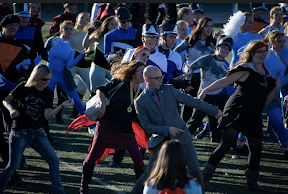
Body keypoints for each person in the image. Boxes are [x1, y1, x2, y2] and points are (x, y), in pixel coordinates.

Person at [131, 65, 227, 194]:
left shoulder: (169, 89)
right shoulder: (139, 102)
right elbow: (147, 126)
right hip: (160, 141)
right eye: (157, 78)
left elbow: (191, 101)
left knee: (195, 171)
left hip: (182, 137)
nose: (161, 80)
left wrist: (215, 111)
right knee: (150, 172)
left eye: (161, 77)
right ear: (147, 79)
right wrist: (167, 129)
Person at [198, 40, 280, 192]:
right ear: (252, 53)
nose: (262, 55)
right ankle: (204, 178)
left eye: (264, 52)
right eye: (259, 52)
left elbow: (265, 100)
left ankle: (252, 183)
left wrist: (276, 88)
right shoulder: (245, 69)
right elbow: (224, 81)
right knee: (225, 145)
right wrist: (205, 90)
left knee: (256, 149)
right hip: (236, 112)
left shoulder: (267, 74)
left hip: (254, 114)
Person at [0, 64, 74, 193]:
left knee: (54, 161)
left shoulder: (48, 93)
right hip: (20, 132)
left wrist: (61, 105)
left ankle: (58, 191)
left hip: (38, 132)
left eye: (49, 79)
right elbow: (6, 100)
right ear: (37, 77)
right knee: (13, 165)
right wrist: (12, 109)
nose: (47, 82)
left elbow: (47, 115)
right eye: (44, 79)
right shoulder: (23, 87)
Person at [79, 60, 146, 194]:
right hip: (107, 124)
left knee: (138, 159)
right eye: (141, 72)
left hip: (125, 128)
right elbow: (100, 90)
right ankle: (83, 187)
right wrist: (103, 104)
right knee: (93, 156)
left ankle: (144, 190)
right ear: (133, 73)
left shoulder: (140, 90)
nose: (144, 75)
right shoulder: (120, 82)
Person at [186, 35, 232, 142]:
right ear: (217, 48)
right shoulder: (208, 58)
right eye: (223, 47)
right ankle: (183, 139)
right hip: (204, 96)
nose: (225, 50)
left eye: (228, 48)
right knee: (195, 121)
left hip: (220, 96)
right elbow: (191, 67)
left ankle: (216, 139)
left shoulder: (227, 65)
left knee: (217, 122)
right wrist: (188, 82)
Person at [174, 16, 216, 126]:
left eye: (211, 26)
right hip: (191, 77)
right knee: (188, 104)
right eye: (206, 26)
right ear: (200, 27)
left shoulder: (213, 42)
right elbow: (175, 52)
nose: (209, 29)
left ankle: (213, 134)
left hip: (207, 79)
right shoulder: (190, 40)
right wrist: (182, 68)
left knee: (206, 104)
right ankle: (182, 128)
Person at [44, 20, 90, 117]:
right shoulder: (53, 40)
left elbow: (69, 66)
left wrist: (81, 55)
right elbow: (42, 55)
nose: (69, 31)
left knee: (77, 101)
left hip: (63, 77)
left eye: (71, 29)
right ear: (61, 30)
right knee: (44, 99)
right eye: (66, 29)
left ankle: (91, 124)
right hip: (49, 76)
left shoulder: (71, 49)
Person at [83, 16, 118, 96]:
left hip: (112, 69)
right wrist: (88, 34)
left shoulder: (119, 36)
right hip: (98, 67)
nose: (114, 26)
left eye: (116, 24)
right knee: (94, 92)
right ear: (106, 25)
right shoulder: (100, 34)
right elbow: (85, 44)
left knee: (116, 90)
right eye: (112, 24)